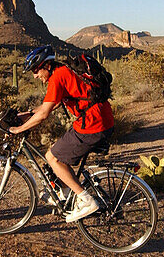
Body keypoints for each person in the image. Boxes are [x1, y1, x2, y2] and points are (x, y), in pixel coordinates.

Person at [8, 45, 114, 222]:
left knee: (53, 158)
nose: (35, 76)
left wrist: (18, 129)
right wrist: (27, 114)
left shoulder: (58, 76)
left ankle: (86, 200)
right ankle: (66, 193)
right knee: (56, 151)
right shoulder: (64, 71)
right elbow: (53, 104)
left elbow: (44, 115)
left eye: (36, 70)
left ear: (46, 65)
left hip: (92, 125)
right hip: (99, 120)